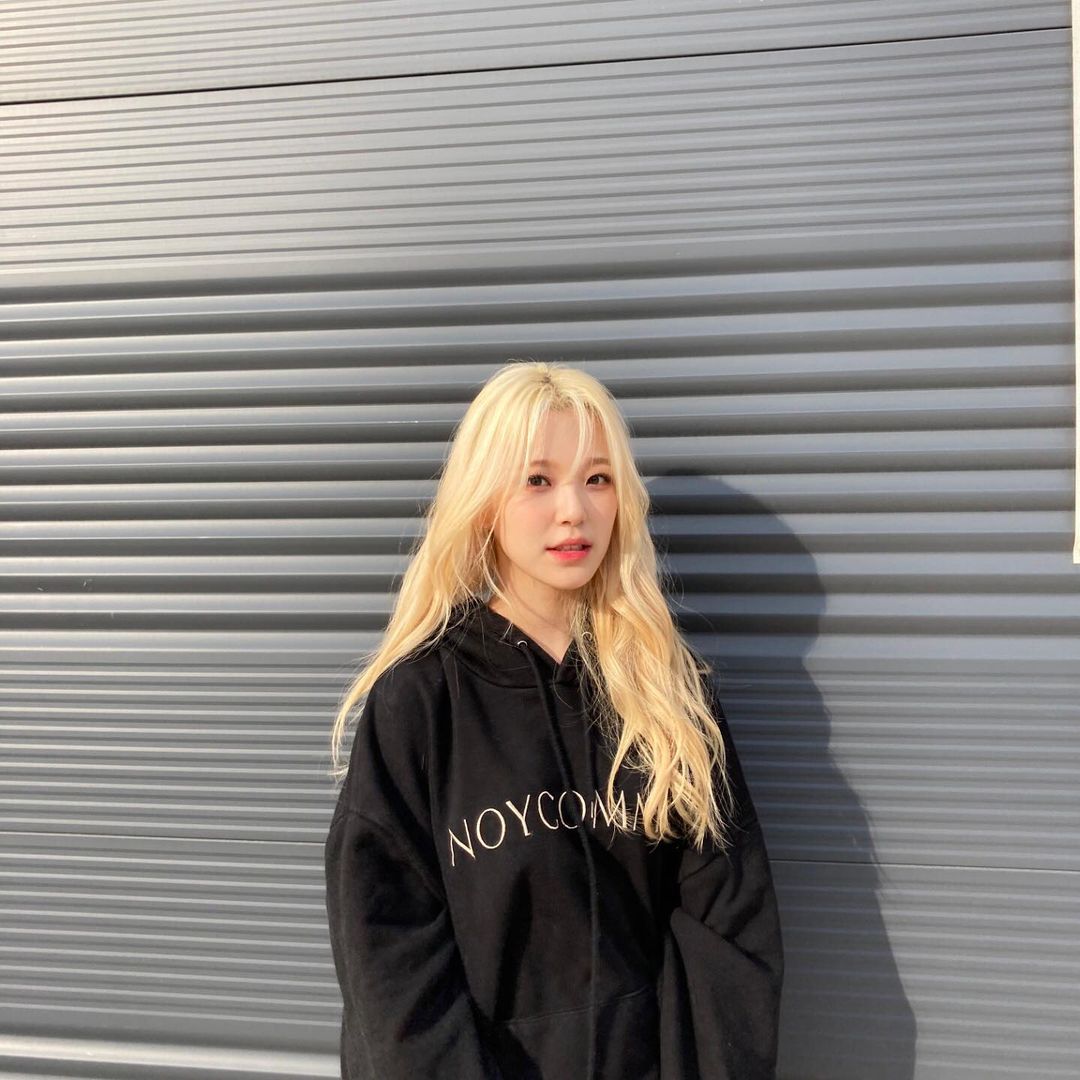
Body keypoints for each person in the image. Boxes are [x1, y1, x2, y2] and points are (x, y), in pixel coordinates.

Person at [323, 360, 784, 1079]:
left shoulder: (669, 694)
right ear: (486, 500)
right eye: (538, 480)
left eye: (597, 478)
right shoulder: (419, 703)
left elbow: (730, 931)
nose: (573, 510)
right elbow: (389, 960)